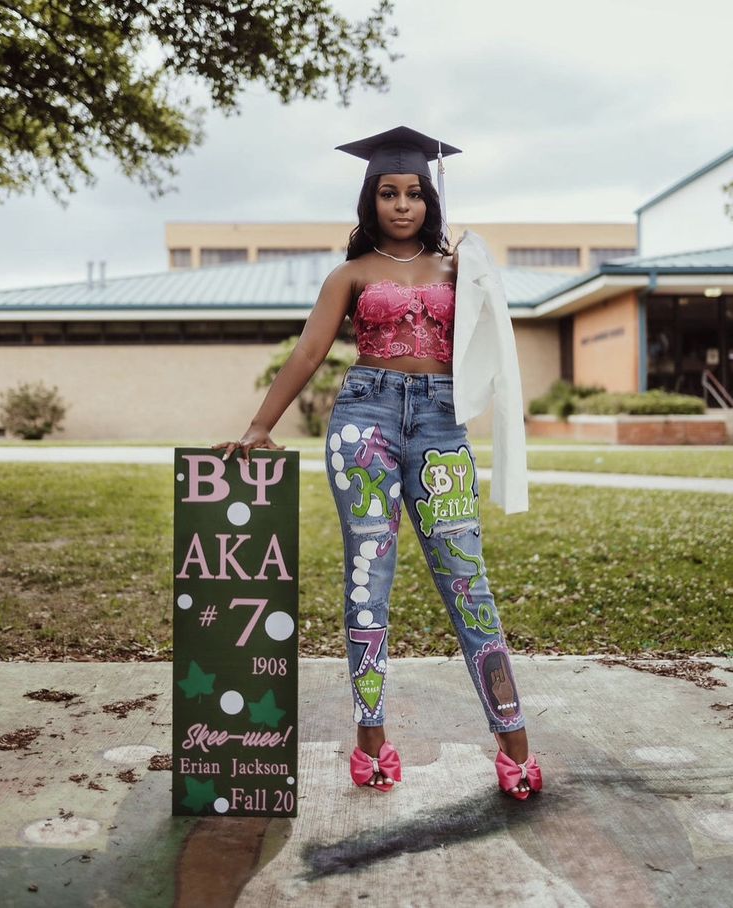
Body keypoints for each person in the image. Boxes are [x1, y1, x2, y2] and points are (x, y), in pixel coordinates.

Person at [213, 126, 542, 800]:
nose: (400, 204)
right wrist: (257, 425)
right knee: (369, 578)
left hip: (441, 428)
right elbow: (307, 353)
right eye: (387, 193)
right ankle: (370, 737)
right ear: (370, 200)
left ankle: (511, 740)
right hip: (363, 424)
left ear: (429, 200)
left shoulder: (460, 268)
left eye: (413, 193)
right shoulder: (351, 274)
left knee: (466, 581)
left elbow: (493, 350)